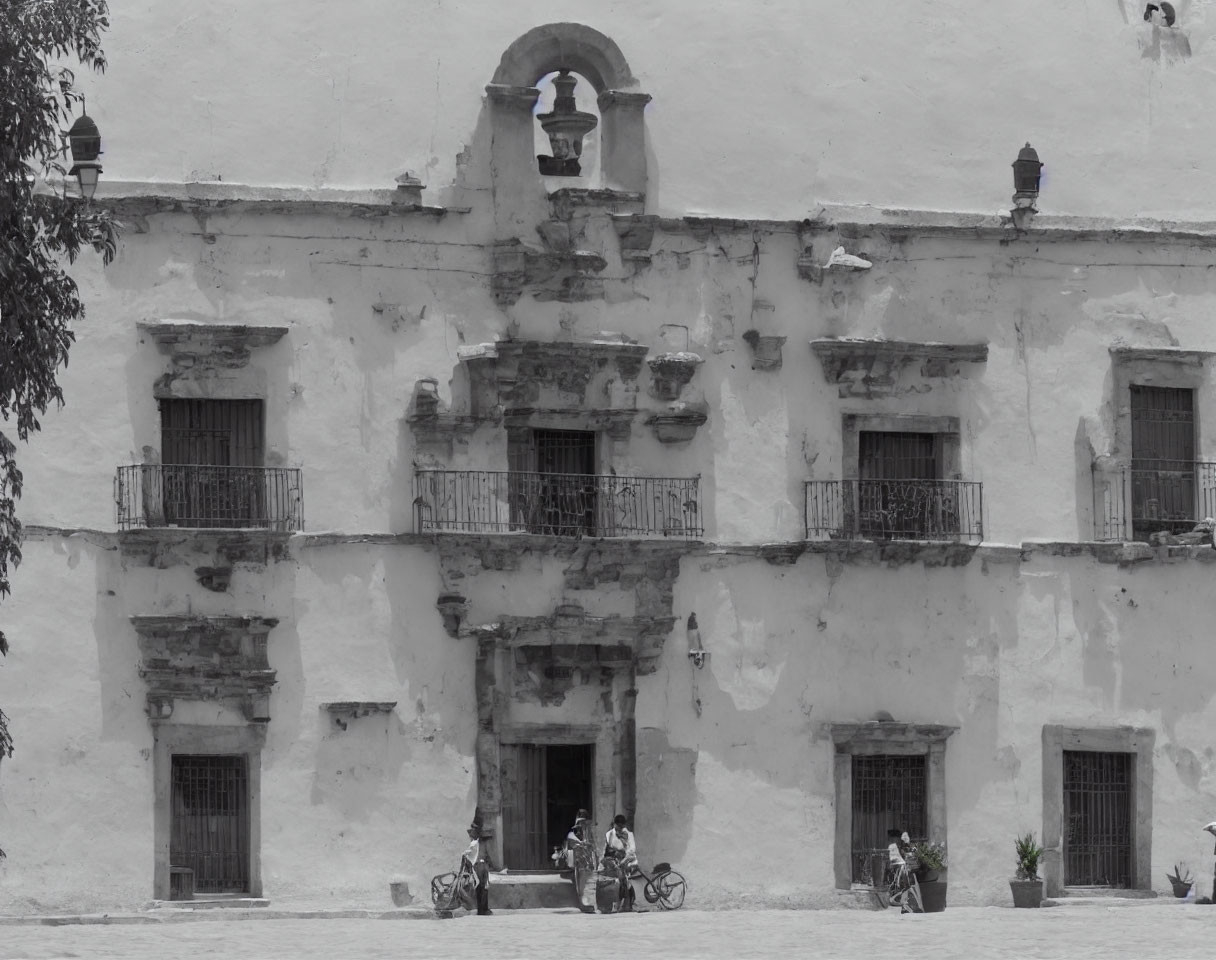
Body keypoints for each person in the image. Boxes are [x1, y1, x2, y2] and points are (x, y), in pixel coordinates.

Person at [462, 812, 496, 916]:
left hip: (477, 865)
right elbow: (488, 854)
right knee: (483, 888)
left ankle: (481, 910)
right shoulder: (480, 842)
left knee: (479, 888)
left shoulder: (475, 840)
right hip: (481, 865)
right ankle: (483, 910)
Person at [603, 814, 639, 911]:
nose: (619, 829)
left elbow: (632, 850)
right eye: (617, 826)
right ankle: (614, 902)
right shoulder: (609, 834)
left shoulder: (629, 834)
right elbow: (606, 850)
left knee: (625, 879)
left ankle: (628, 902)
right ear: (614, 824)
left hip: (627, 859)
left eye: (621, 827)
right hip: (614, 860)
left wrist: (624, 860)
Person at [565, 809, 597, 913]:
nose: (583, 824)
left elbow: (592, 845)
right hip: (579, 861)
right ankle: (582, 903)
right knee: (580, 883)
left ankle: (585, 903)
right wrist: (580, 844)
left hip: (587, 861)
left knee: (586, 882)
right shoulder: (575, 831)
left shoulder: (588, 831)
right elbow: (571, 841)